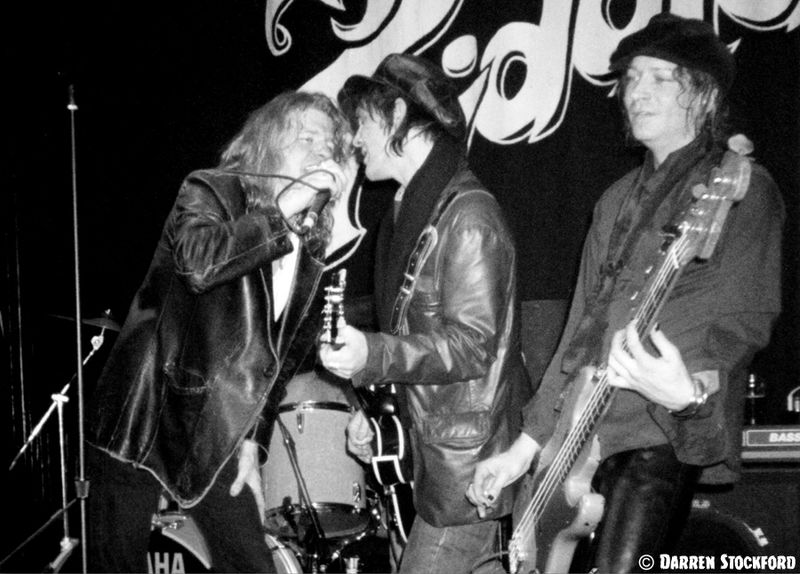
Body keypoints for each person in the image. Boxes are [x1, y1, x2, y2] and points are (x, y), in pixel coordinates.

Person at [467, 12, 785, 573]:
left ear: (704, 93)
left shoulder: (743, 190)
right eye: (631, 78)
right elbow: (577, 336)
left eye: (660, 78)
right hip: (580, 432)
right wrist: (523, 449)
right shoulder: (614, 201)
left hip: (656, 430)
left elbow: (743, 317)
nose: (637, 92)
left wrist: (685, 385)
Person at [86, 90, 356, 572]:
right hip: (145, 406)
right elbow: (198, 263)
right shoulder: (211, 189)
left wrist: (254, 441)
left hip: (216, 423)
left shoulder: (312, 248)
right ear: (269, 143)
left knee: (251, 563)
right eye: (308, 136)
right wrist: (281, 210)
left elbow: (280, 360)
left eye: (330, 145)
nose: (321, 151)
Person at [318, 53, 532, 574]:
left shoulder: (468, 215)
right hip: (436, 459)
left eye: (361, 122)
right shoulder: (411, 208)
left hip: (468, 467)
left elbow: (471, 345)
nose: (353, 139)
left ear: (394, 115)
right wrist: (376, 413)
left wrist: (373, 354)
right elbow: (411, 337)